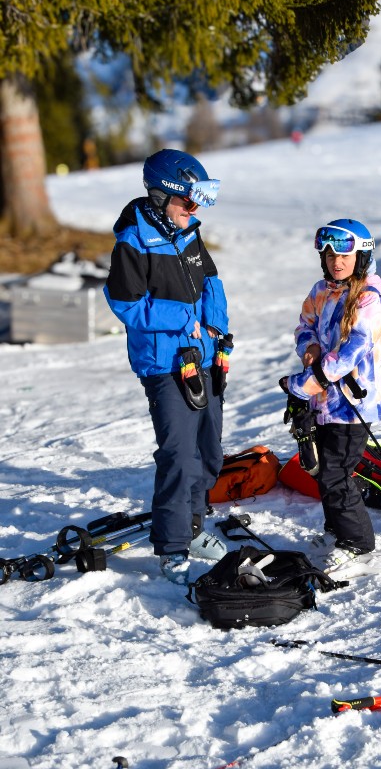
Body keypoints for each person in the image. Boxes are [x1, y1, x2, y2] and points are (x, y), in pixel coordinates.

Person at [104, 148, 230, 584]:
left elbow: (211, 281)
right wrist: (184, 318)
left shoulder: (188, 231)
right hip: (164, 363)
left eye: (198, 202)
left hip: (204, 356)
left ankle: (193, 526)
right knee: (179, 456)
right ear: (161, 197)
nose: (195, 210)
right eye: (187, 201)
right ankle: (173, 547)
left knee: (209, 453)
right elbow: (126, 304)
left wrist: (215, 323)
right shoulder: (132, 242)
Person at [282, 219, 381, 576]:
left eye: (345, 255)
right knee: (324, 470)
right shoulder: (322, 291)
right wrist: (310, 346)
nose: (337, 262)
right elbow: (305, 325)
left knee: (336, 474)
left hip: (352, 404)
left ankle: (358, 544)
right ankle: (337, 530)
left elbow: (349, 355)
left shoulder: (370, 299)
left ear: (361, 257)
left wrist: (302, 385)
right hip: (324, 403)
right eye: (330, 256)